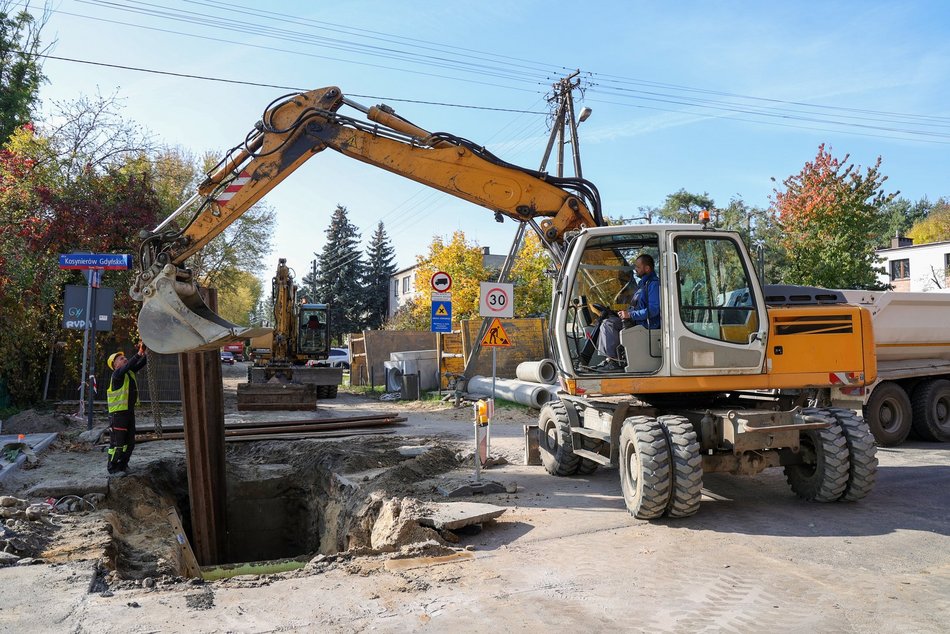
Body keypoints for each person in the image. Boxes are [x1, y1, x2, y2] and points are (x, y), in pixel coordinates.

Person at [590, 254, 661, 372]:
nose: (635, 269)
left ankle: (614, 361)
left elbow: (654, 310)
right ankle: (611, 359)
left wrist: (630, 315)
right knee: (607, 321)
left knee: (609, 324)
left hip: (647, 324)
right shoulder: (642, 285)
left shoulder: (653, 285)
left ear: (647, 269)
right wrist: (625, 312)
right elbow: (638, 306)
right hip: (638, 320)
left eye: (638, 267)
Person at [105, 342, 148, 476]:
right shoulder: (117, 375)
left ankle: (123, 466)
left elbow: (139, 364)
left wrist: (146, 353)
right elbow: (131, 364)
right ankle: (112, 469)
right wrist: (139, 353)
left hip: (128, 413)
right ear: (115, 365)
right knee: (117, 444)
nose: (124, 359)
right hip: (118, 415)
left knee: (129, 443)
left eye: (124, 358)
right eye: (121, 359)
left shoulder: (128, 373)